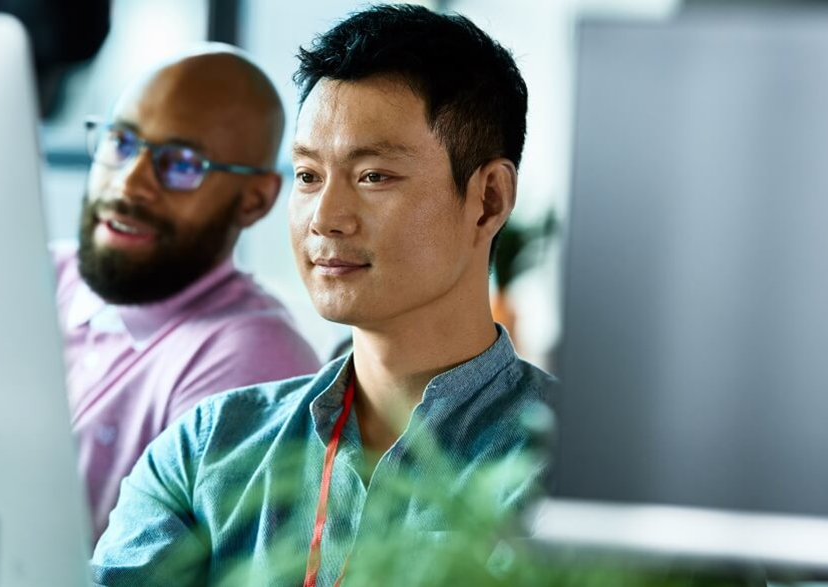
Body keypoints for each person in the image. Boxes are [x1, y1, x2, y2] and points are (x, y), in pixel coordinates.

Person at [91, 6, 554, 585]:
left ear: (487, 199)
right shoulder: (207, 447)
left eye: (373, 177)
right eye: (308, 176)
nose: (326, 219)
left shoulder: (574, 476)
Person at [52, 46, 321, 543]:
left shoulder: (251, 360)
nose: (129, 183)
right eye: (121, 142)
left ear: (255, 199)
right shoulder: (42, 274)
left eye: (181, 163)